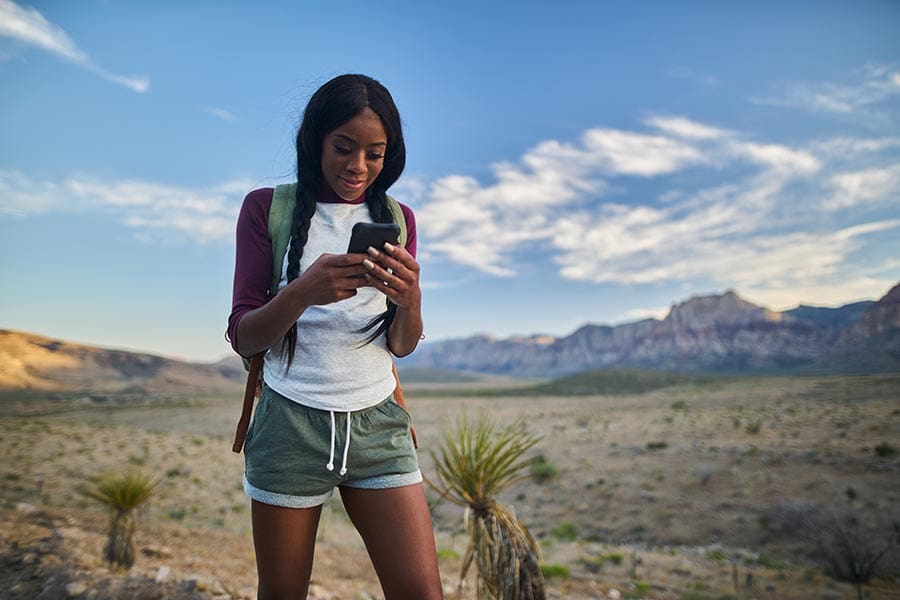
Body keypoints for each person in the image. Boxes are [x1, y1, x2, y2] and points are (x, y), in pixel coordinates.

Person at [226, 74, 443, 599]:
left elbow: (401, 345)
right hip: (289, 428)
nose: (359, 166)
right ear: (315, 140)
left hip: (378, 428)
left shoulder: (397, 218)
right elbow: (243, 335)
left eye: (375, 153)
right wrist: (302, 292)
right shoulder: (266, 209)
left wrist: (411, 300)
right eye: (344, 148)